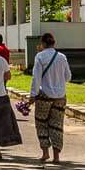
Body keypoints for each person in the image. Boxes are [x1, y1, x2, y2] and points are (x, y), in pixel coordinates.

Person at [30, 31, 72, 162]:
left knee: (41, 123)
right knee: (57, 125)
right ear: (54, 43)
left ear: (42, 44)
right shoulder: (62, 57)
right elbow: (68, 77)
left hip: (44, 96)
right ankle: (56, 156)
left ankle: (45, 153)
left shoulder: (40, 57)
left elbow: (36, 78)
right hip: (60, 96)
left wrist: (32, 95)